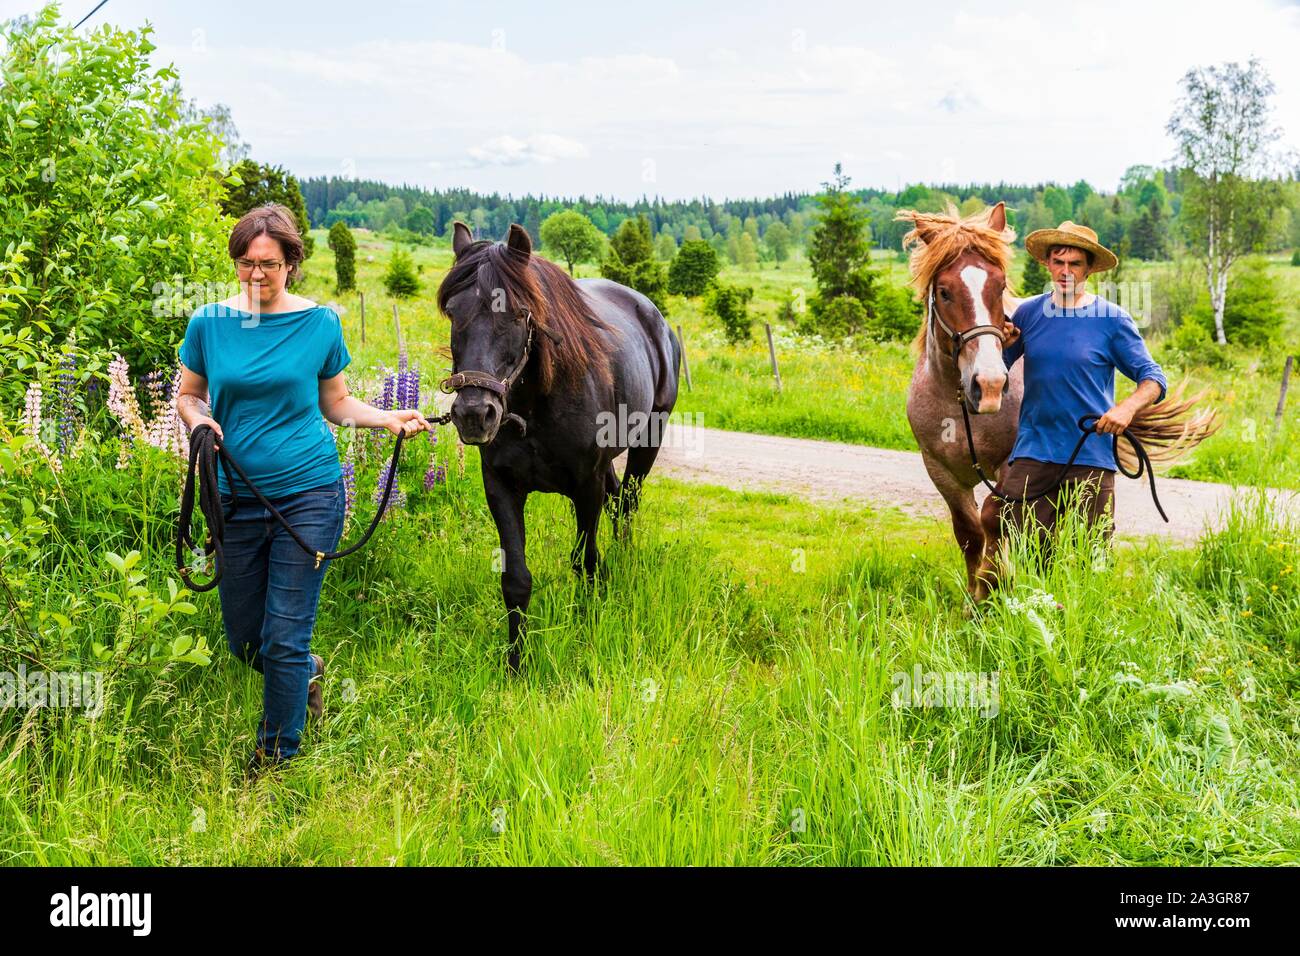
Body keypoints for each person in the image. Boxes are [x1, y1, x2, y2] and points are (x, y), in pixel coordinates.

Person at [174, 203, 429, 775]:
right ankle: (306, 675)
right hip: (234, 496)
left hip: (309, 494)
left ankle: (275, 760)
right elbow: (188, 394)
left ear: (291, 262)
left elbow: (334, 403)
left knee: (285, 634)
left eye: (267, 263)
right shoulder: (209, 323)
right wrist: (200, 422)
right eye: (244, 264)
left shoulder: (320, 325)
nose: (255, 275)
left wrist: (386, 418)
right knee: (246, 641)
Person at [981, 220, 1167, 566]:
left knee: (1090, 557)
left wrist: (1126, 408)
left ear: (1089, 268)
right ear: (1047, 264)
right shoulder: (1029, 313)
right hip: (1034, 453)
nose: (1066, 271)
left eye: (1075, 264)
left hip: (1090, 456)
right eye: (1059, 262)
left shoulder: (1112, 319)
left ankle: (1082, 620)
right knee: (1025, 552)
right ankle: (1023, 616)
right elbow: (997, 374)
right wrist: (999, 347)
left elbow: (1153, 378)